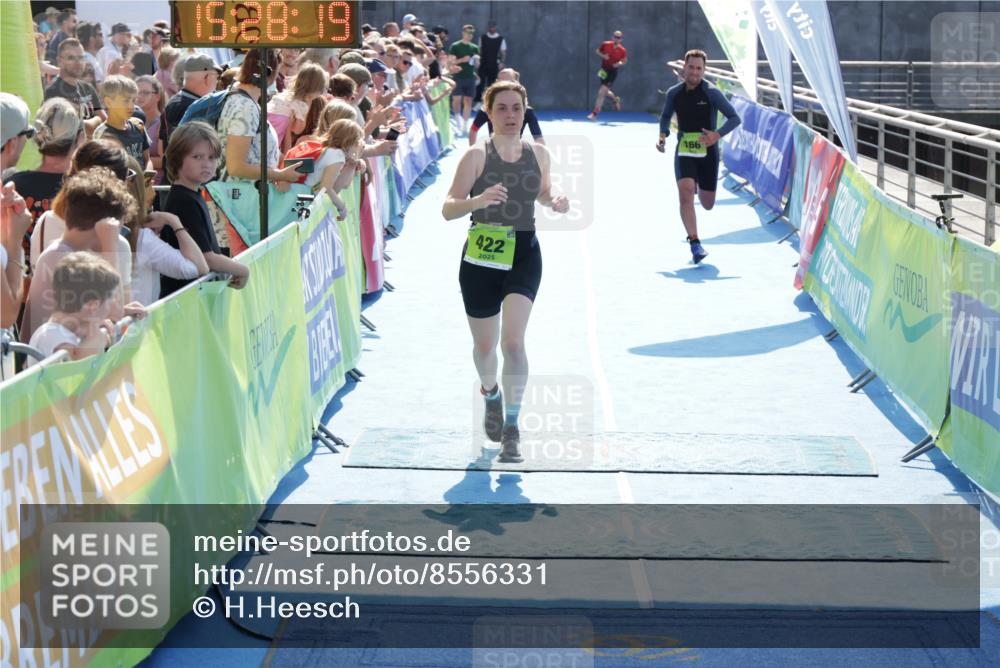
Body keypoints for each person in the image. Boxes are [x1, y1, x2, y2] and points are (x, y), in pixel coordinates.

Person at [442, 81, 571, 462]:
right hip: (481, 256)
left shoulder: (540, 153)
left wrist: (556, 198)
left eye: (517, 108)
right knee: (485, 349)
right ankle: (491, 393)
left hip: (524, 252)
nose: (511, 116)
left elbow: (545, 192)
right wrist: (478, 200)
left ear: (525, 111)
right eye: (502, 109)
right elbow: (448, 208)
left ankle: (512, 427)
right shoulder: (476, 157)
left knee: (513, 342)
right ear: (489, 112)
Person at [22, 167, 144, 342]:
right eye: (117, 229)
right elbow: (113, 313)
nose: (118, 234)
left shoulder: (69, 253)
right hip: (52, 363)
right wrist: (110, 246)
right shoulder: (61, 258)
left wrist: (123, 311)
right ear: (101, 226)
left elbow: (90, 311)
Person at [657, 49, 741, 264]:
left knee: (707, 203)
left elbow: (734, 118)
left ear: (704, 70)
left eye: (699, 68)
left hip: (708, 152)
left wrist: (717, 135)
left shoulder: (711, 93)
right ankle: (695, 243)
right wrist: (663, 135)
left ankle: (697, 183)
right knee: (685, 194)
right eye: (691, 67)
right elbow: (666, 115)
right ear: (684, 68)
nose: (694, 72)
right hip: (685, 149)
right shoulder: (674, 93)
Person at [162, 122, 249, 296]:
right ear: (178, 158)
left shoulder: (192, 194)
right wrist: (243, 270)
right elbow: (207, 257)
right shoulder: (184, 201)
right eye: (197, 157)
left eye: (211, 157)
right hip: (184, 296)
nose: (206, 164)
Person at [122, 155, 208, 305]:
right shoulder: (144, 240)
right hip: (138, 325)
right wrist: (174, 222)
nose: (152, 191)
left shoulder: (79, 229)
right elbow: (198, 268)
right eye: (146, 183)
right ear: (138, 190)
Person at [26, 251, 121, 366]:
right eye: (110, 302)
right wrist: (97, 335)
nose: (111, 308)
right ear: (92, 305)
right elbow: (78, 369)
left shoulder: (64, 331)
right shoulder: (52, 336)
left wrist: (91, 327)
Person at [44, 39, 107, 135]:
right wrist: (95, 121)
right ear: (59, 61)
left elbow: (104, 120)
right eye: (71, 58)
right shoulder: (52, 92)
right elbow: (67, 130)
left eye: (81, 58)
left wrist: (88, 123)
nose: (78, 63)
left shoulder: (87, 88)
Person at [468, 69, 542, 146]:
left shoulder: (527, 111)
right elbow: (473, 130)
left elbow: (539, 138)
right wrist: (473, 151)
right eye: (499, 82)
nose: (510, 115)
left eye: (516, 109)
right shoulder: (487, 109)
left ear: (515, 83)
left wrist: (541, 155)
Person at [161, 54, 222, 145]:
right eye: (217, 77)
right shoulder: (191, 107)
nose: (217, 82)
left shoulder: (176, 103)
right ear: (207, 78)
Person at [267, 63, 328, 152]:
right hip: (276, 135)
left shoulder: (284, 95)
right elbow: (297, 130)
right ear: (317, 89)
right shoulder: (301, 104)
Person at [94, 75, 150, 165]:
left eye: (133, 100)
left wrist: (146, 174)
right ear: (109, 102)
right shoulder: (102, 134)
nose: (131, 106)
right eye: (126, 101)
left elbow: (147, 160)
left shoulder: (138, 125)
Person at [587, 30, 627, 121]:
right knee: (605, 91)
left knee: (601, 92)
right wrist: (603, 56)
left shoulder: (622, 50)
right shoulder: (605, 44)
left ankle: (594, 114)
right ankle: (615, 99)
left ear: (621, 39)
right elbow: (597, 51)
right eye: (615, 37)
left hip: (613, 72)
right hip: (604, 70)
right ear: (613, 37)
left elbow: (624, 61)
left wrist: (619, 64)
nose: (617, 39)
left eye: (619, 38)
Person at [135, 76, 166, 182]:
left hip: (157, 185)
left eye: (145, 93)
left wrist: (134, 160)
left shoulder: (163, 122)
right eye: (137, 92)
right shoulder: (130, 121)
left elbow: (166, 161)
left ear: (157, 96)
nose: (140, 96)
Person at [476, 20, 506, 105]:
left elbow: (503, 52)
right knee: (480, 83)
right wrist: (478, 61)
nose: (492, 28)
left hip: (494, 64)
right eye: (490, 27)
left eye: (493, 27)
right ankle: (479, 101)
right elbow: (479, 50)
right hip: (483, 63)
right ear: (488, 28)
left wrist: (502, 62)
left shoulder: (500, 39)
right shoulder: (482, 38)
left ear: (496, 27)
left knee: (492, 83)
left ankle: (490, 101)